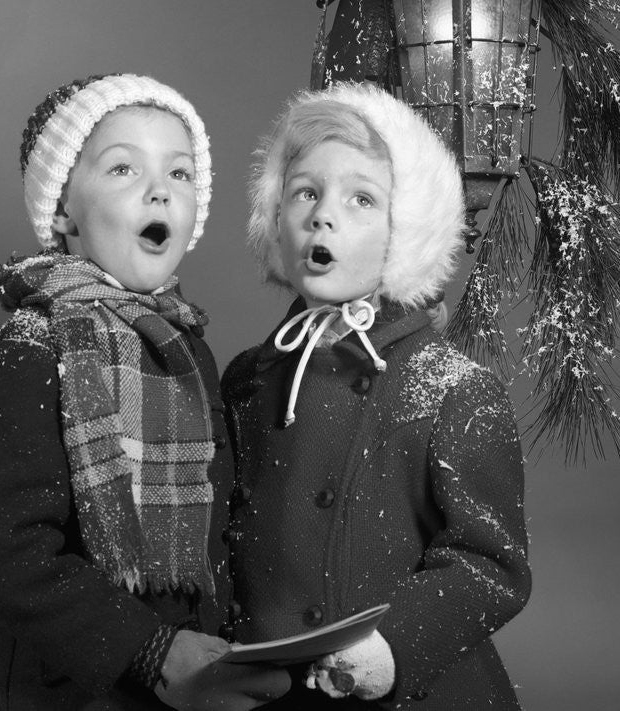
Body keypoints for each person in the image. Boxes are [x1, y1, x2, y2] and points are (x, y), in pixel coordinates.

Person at [0, 73, 290, 710]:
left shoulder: (180, 345)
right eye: (123, 170)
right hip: (75, 690)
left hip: (187, 681)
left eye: (181, 174)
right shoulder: (32, 350)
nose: (159, 189)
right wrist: (152, 651)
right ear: (61, 211)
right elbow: (11, 554)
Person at [222, 83, 532, 709]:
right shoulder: (248, 378)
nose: (323, 214)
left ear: (405, 232)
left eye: (361, 198)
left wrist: (387, 648)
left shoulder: (455, 391)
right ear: (275, 219)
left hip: (408, 691)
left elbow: (490, 562)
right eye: (305, 191)